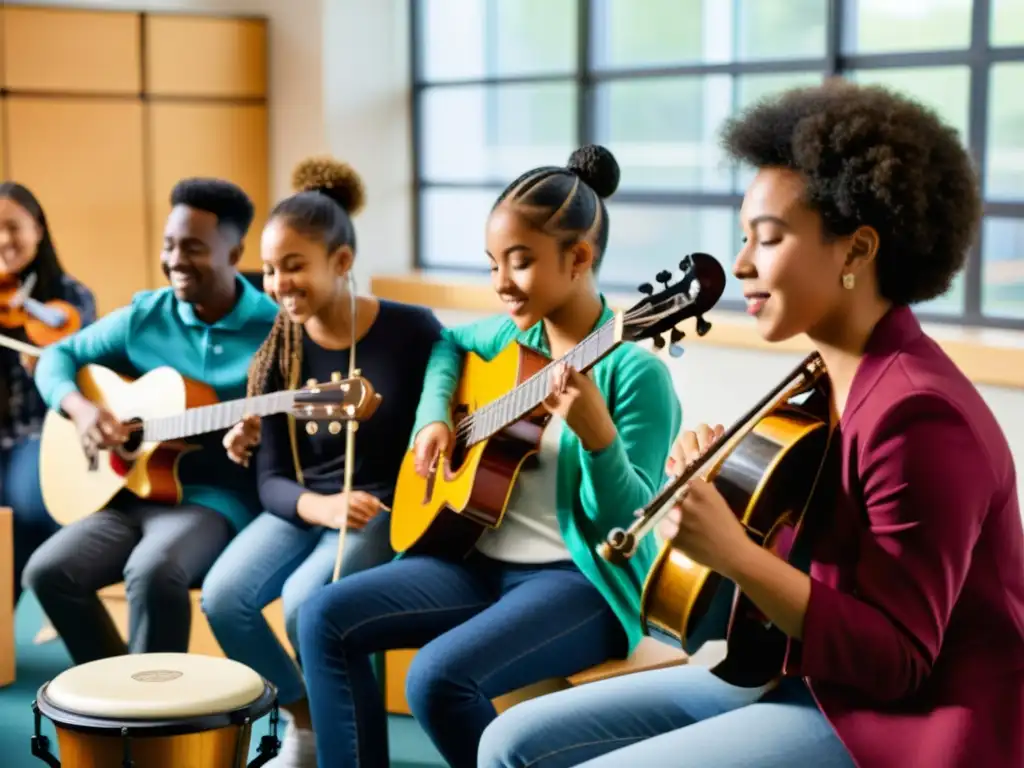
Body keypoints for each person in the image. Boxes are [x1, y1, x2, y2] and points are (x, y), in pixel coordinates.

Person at [476, 80, 1024, 768]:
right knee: (507, 741)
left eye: (766, 239)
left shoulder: (919, 416)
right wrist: (733, 490)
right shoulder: (823, 379)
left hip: (891, 722)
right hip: (789, 673)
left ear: (856, 252)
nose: (739, 266)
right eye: (743, 238)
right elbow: (808, 561)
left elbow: (901, 661)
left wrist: (736, 552)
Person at [294, 144, 681, 768]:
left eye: (520, 262)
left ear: (578, 258)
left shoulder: (634, 375)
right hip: (477, 559)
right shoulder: (511, 339)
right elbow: (447, 345)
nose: (500, 283)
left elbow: (629, 526)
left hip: (577, 583)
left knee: (434, 680)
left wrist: (599, 438)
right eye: (493, 262)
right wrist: (433, 421)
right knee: (322, 615)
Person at [200, 157, 444, 768]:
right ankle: (302, 715)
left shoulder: (413, 331)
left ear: (341, 262)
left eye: (294, 266)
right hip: (309, 507)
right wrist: (320, 505)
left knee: (308, 597)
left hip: (383, 508)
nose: (279, 283)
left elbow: (450, 399)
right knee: (225, 596)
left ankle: (349, 744)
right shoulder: (282, 347)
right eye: (271, 270)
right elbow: (271, 478)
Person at [22, 178, 279, 665]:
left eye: (194, 247)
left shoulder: (275, 329)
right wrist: (81, 409)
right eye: (169, 244)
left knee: (153, 570)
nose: (175, 259)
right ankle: (114, 693)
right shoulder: (145, 315)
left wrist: (260, 433)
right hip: (130, 492)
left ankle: (154, 722)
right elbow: (58, 355)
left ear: (235, 251)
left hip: (214, 500)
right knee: (48, 572)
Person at [0, 182, 96, 609]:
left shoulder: (72, 298)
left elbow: (94, 375)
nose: (4, 240)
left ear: (37, 229)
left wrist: (54, 370)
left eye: (13, 227)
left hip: (40, 433)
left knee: (23, 504)